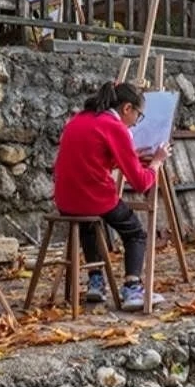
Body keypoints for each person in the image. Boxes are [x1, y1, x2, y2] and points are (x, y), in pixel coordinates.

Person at [52, 81, 171, 311]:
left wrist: (127, 155)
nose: (137, 121)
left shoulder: (79, 119)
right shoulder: (114, 127)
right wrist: (156, 163)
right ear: (127, 108)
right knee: (135, 232)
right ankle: (133, 288)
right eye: (139, 115)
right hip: (93, 197)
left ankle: (96, 281)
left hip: (65, 200)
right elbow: (140, 182)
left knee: (88, 228)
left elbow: (94, 155)